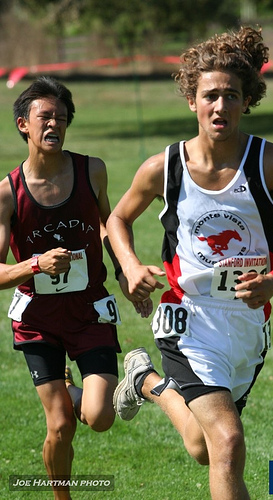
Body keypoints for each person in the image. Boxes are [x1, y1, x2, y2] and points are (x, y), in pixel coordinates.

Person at [107, 26, 273, 500]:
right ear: (192, 100)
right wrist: (130, 267)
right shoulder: (165, 167)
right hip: (188, 320)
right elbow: (117, 218)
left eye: (231, 95)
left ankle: (145, 381)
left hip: (247, 326)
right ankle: (154, 374)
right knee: (228, 442)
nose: (220, 106)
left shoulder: (272, 163)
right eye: (210, 96)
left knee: (204, 448)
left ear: (246, 101)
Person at [0, 76, 149, 500]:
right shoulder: (7, 194)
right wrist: (35, 264)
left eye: (61, 119)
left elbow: (109, 225)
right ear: (22, 125)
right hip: (37, 320)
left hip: (90, 311)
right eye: (44, 117)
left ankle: (70, 385)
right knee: (61, 424)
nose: (54, 125)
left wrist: (126, 273)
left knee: (100, 416)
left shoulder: (92, 170)